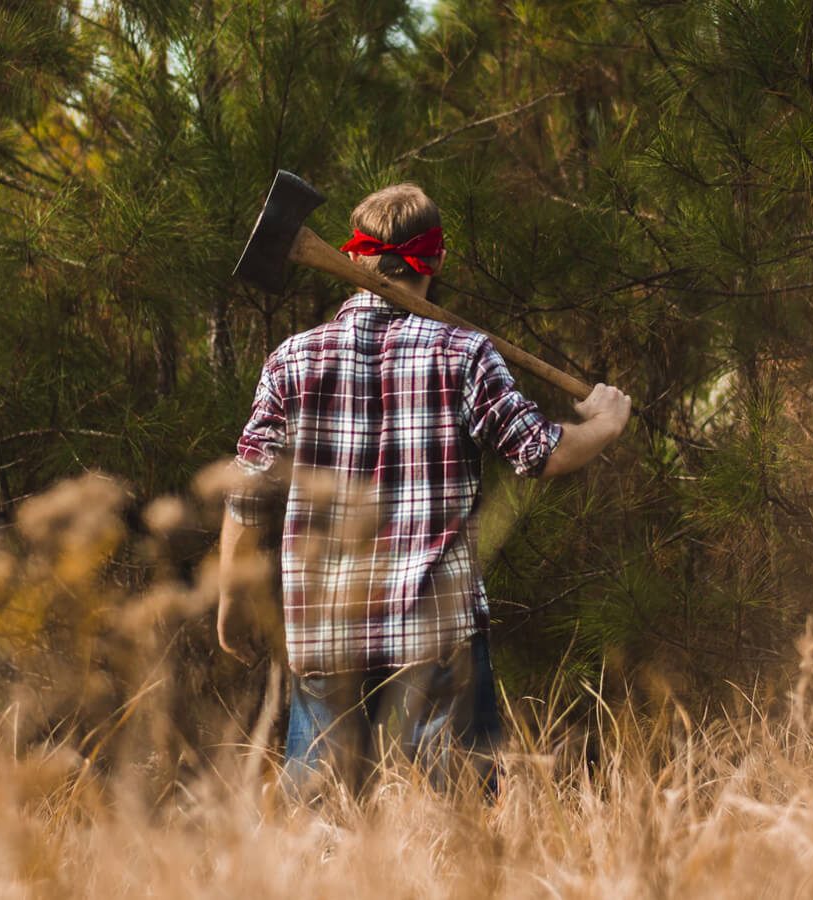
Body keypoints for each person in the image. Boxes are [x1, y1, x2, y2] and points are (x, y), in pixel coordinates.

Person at [216, 182, 631, 799]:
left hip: (325, 638)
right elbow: (541, 452)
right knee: (458, 840)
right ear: (434, 261)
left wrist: (231, 599)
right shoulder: (465, 354)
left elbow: (246, 493)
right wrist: (604, 422)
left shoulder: (291, 361)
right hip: (439, 644)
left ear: (354, 258)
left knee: (325, 851)